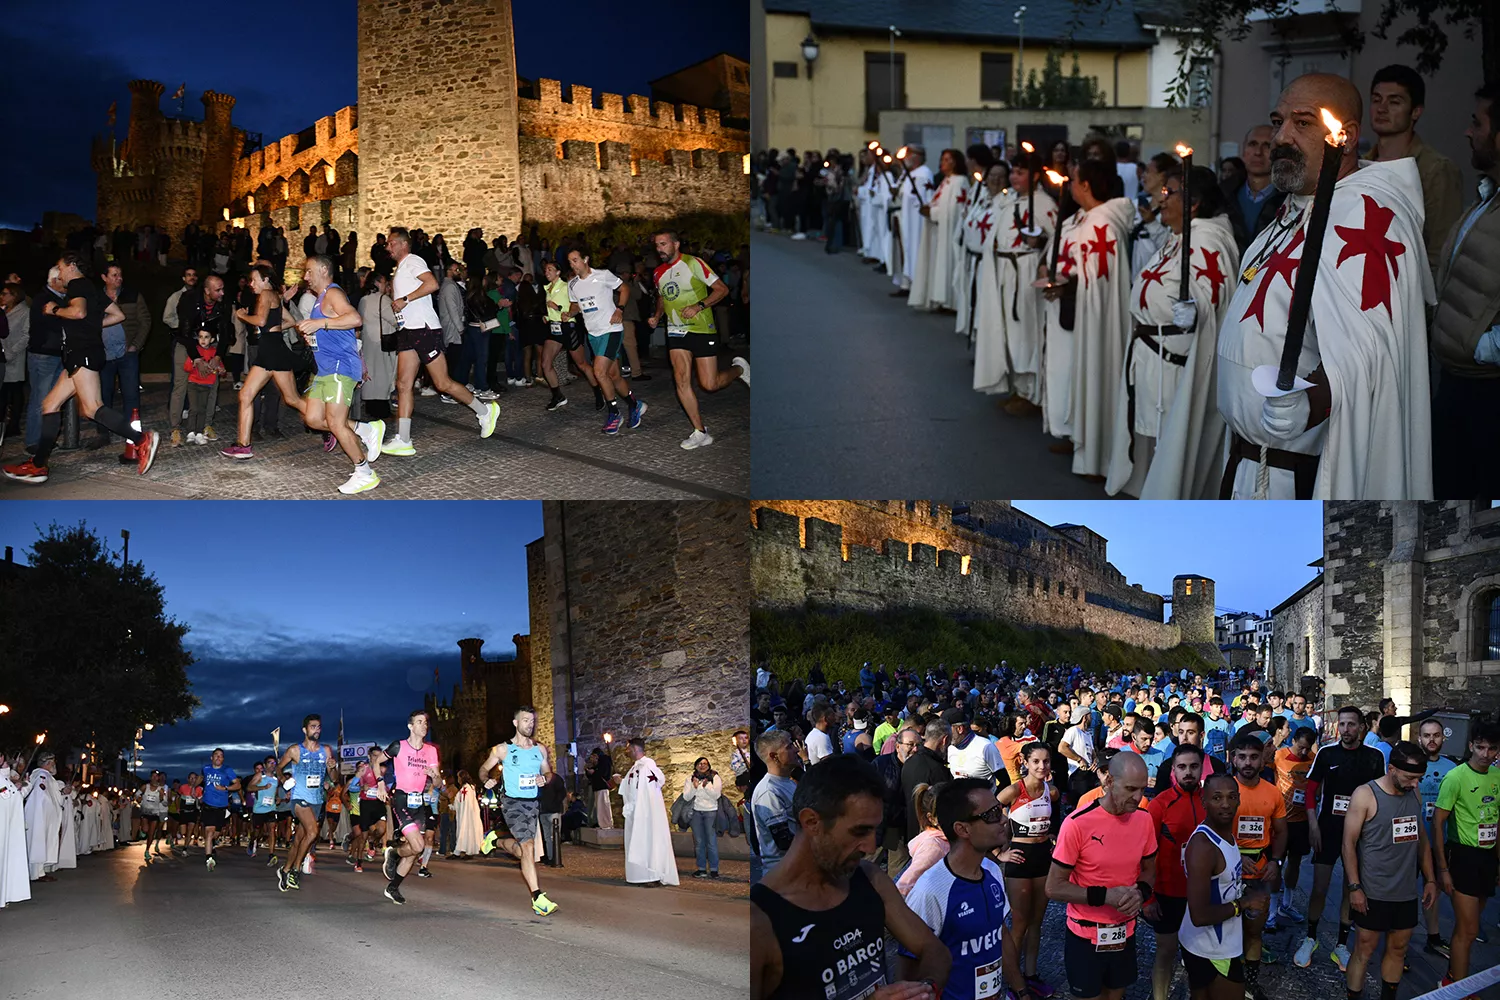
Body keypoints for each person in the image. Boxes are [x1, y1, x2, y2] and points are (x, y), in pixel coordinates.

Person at [1216, 73, 1431, 499]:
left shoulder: (1364, 213)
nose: (1281, 137)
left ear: (1345, 137)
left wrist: (1311, 402)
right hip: (1248, 457)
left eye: (1302, 123)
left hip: (1297, 473)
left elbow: (1372, 347)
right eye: (1278, 121)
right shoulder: (1295, 208)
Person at [750, 754, 951, 1000]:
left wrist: (923, 990)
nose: (869, 846)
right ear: (812, 822)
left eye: (874, 830)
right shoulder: (760, 921)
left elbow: (934, 950)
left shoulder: (869, 879)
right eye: (860, 831)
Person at [1126, 167, 1242, 499]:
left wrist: (1197, 309)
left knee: (1171, 441)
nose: (1160, 199)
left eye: (1169, 192)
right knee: (1153, 442)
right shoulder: (1178, 238)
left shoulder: (1207, 240)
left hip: (1175, 365)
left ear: (1192, 204)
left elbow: (1213, 297)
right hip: (1151, 356)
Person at [3, 253, 159, 483]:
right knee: (50, 404)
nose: (59, 271)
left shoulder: (78, 285)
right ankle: (38, 465)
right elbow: (118, 315)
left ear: (72, 266)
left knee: (93, 408)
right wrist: (91, 326)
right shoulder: (92, 289)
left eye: (60, 267)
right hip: (78, 353)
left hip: (82, 353)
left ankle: (141, 439)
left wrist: (54, 310)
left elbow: (78, 312)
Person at [1428, 81, 1500, 500]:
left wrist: (1481, 349)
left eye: (1478, 123)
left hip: (1488, 396)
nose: (1468, 132)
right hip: (1460, 387)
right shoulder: (1486, 199)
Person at [900, 778, 1032, 1000]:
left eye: (1000, 810)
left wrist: (1021, 990)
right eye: (991, 815)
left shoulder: (992, 871)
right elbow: (908, 963)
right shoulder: (930, 889)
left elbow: (999, 934)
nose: (1003, 820)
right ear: (962, 829)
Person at [1045, 752, 1158, 1000]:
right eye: (1130, 788)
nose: (1138, 797)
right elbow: (1053, 887)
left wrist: (1142, 892)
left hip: (1124, 933)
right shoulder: (1077, 823)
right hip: (1085, 936)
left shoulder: (1144, 819)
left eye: (1142, 789)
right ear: (1108, 782)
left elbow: (1150, 869)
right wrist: (1105, 896)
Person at [379, 227, 499, 456]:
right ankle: (403, 439)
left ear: (403, 244)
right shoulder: (402, 267)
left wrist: (405, 299)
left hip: (424, 330)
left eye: (390, 243)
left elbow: (432, 283)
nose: (388, 247)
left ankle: (484, 411)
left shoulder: (413, 260)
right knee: (403, 385)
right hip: (408, 331)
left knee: (442, 383)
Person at [1292, 706, 1388, 968]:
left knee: (1351, 888)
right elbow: (1311, 792)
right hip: (1328, 830)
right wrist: (1313, 824)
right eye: (1342, 725)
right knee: (1319, 887)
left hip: (1360, 834)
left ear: (1361, 728)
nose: (1346, 730)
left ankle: (1341, 945)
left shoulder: (1375, 756)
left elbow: (1381, 794)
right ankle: (1310, 938)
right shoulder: (1326, 752)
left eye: (1351, 725)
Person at [1341, 740, 1436, 1000]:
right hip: (1373, 890)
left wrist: (1430, 879)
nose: (1415, 784)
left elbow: (1421, 840)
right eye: (1409, 777)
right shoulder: (1365, 794)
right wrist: (1354, 887)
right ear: (1391, 768)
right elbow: (1348, 843)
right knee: (1365, 949)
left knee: (1398, 948)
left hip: (1405, 890)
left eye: (1419, 778)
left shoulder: (1413, 792)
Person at [1060, 158, 1134, 483]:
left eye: (1073, 179)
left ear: (1086, 185)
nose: (1070, 185)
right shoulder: (1099, 220)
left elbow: (1095, 277)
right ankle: (1092, 451)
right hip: (1096, 314)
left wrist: (1066, 277)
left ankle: (1099, 456)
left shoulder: (1098, 223)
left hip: (1098, 318)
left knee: (1098, 376)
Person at [290, 256, 385, 494]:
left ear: (324, 270)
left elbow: (355, 319)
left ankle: (364, 472)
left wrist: (320, 324)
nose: (305, 277)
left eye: (309, 271)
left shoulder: (333, 293)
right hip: (325, 370)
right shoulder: (317, 299)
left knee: (335, 422)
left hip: (340, 367)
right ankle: (366, 430)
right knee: (312, 418)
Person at [647, 230, 748, 450]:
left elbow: (721, 289)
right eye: (657, 245)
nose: (660, 249)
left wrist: (699, 306)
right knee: (681, 379)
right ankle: (700, 432)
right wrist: (657, 315)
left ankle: (739, 370)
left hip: (702, 329)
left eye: (663, 244)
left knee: (709, 384)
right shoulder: (657, 273)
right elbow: (663, 298)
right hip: (675, 331)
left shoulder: (694, 263)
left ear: (676, 244)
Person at [1366, 64, 1463, 276]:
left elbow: (1441, 249)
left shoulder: (1435, 170)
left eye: (1394, 102)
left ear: (1415, 112)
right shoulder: (1360, 165)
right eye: (1376, 99)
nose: (1382, 108)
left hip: (1410, 288)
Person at [222, 264, 323, 459]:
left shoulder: (266, 295)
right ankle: (243, 445)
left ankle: (329, 426)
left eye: (254, 279)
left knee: (289, 399)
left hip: (272, 351)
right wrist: (274, 328)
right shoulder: (274, 296)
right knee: (248, 395)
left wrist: (242, 316)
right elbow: (290, 321)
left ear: (265, 279)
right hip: (270, 350)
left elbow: (260, 321)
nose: (251, 284)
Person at [1432, 721, 1500, 992]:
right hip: (1462, 856)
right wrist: (1443, 868)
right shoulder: (1456, 777)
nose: (1485, 753)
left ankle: (1451, 980)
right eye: (1480, 747)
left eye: (1492, 748)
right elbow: (1438, 823)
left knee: (1469, 929)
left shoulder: (1497, 776)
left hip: (1487, 858)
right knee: (1469, 930)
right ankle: (1457, 989)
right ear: (1471, 746)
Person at [476, 705, 560, 914]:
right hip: (512, 803)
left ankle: (494, 840)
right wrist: (486, 780)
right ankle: (538, 897)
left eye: (532, 721)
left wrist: (544, 778)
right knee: (529, 847)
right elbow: (484, 769)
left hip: (532, 804)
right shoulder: (502, 749)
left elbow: (549, 773)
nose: (529, 724)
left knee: (523, 851)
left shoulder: (539, 749)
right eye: (525, 720)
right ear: (515, 723)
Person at [996, 741, 1061, 998]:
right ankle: (1013, 980)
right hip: (1019, 858)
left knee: (1037, 922)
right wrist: (998, 852)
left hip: (1042, 857)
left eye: (1045, 762)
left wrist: (1053, 833)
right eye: (1036, 761)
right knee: (1020, 923)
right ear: (1025, 762)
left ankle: (1031, 975)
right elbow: (986, 814)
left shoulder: (1051, 790)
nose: (1042, 766)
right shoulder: (1013, 790)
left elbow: (1051, 817)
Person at [1181, 772, 1252, 1000]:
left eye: (1232, 797)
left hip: (1211, 944)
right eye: (1217, 798)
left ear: (1239, 799)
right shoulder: (1204, 846)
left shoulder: (1225, 835)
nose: (1225, 804)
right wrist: (1243, 904)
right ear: (1204, 802)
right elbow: (1199, 915)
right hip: (1212, 947)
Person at [1227, 731, 1286, 992]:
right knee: (1225, 933)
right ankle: (1226, 984)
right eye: (1242, 757)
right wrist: (1235, 856)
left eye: (1253, 757)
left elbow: (1282, 831)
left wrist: (1276, 862)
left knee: (1254, 933)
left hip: (1259, 875)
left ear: (1263, 760)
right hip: (1227, 873)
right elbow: (1210, 831)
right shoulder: (1224, 791)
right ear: (1233, 760)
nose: (1248, 763)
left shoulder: (1273, 793)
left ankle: (1250, 986)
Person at [564, 247, 644, 435]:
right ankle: (635, 404)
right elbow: (576, 305)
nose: (573, 265)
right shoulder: (573, 284)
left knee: (599, 372)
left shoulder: (603, 275)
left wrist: (620, 309)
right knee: (614, 376)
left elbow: (624, 288)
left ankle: (614, 413)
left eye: (575, 260)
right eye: (570, 262)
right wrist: (570, 313)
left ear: (586, 259)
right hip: (593, 333)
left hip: (611, 329)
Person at [374, 709, 442, 905]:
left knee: (415, 849)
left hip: (419, 801)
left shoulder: (431, 751)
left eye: (426, 722)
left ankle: (392, 886)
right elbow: (377, 762)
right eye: (420, 722)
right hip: (402, 799)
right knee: (418, 845)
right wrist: (380, 783)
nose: (424, 725)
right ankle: (394, 853)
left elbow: (437, 783)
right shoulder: (399, 746)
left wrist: (434, 775)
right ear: (410, 726)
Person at [273, 714, 340, 892]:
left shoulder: (325, 751)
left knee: (300, 839)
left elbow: (334, 779)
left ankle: (285, 870)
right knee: (313, 832)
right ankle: (295, 870)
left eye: (319, 727)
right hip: (299, 797)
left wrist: (333, 768)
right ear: (305, 730)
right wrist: (283, 779)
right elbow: (279, 767)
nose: (316, 730)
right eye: (313, 727)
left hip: (316, 800)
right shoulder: (295, 750)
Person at [1415, 717, 1458, 956]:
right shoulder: (1411, 764)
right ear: (1419, 738)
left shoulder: (1452, 768)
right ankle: (1399, 944)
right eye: (1427, 735)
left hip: (1440, 841)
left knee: (1435, 889)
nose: (1432, 740)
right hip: (1411, 841)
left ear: (1443, 738)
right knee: (1404, 892)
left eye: (1436, 735)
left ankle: (1433, 937)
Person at [909, 149, 965, 312]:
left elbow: (955, 209)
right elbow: (940, 202)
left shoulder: (960, 182)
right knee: (936, 262)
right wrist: (929, 207)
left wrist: (932, 212)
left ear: (955, 162)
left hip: (948, 231)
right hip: (937, 230)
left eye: (947, 159)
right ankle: (938, 297)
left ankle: (949, 301)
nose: (942, 162)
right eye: (942, 159)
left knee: (947, 262)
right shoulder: (946, 181)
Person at [619, 737, 679, 886]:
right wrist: (621, 781)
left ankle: (652, 876)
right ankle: (639, 875)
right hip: (636, 812)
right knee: (638, 842)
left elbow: (651, 788)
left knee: (649, 842)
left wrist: (644, 810)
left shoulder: (648, 766)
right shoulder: (635, 767)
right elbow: (631, 787)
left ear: (634, 748)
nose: (627, 751)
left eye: (628, 748)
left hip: (646, 814)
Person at [1274, 724, 1316, 921]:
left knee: (1295, 862)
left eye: (1308, 748)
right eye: (1301, 747)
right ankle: (1272, 910)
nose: (1304, 752)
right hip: (1280, 819)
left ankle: (1287, 904)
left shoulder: (1313, 760)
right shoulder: (1279, 756)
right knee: (1276, 862)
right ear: (1293, 741)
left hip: (1301, 820)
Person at [1225, 126, 1287, 252]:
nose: (1258, 152)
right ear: (1243, 151)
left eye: (1267, 146)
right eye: (1252, 144)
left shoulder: (1290, 200)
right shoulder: (1223, 195)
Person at [750, 730, 801, 882]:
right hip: (784, 875)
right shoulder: (769, 792)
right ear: (774, 756)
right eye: (789, 747)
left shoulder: (788, 781)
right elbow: (784, 841)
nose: (796, 750)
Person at [893, 146, 936, 297]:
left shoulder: (923, 174)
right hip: (905, 217)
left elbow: (923, 196)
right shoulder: (907, 173)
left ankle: (917, 284)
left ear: (916, 157)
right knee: (906, 249)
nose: (905, 158)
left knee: (915, 248)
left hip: (916, 219)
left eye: (908, 154)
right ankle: (906, 282)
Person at [21, 753, 62, 882]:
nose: (54, 765)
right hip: (40, 816)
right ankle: (36, 873)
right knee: (38, 843)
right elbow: (41, 797)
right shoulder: (41, 776)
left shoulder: (46, 776)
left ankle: (40, 872)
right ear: (48, 763)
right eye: (53, 762)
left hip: (44, 816)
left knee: (41, 843)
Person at [199, 748, 240, 871]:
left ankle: (212, 847)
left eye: (221, 756)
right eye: (216, 755)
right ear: (211, 758)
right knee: (209, 832)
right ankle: (209, 858)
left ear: (223, 759)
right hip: (207, 805)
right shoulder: (206, 769)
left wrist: (225, 788)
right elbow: (201, 777)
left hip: (221, 807)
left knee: (216, 834)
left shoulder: (227, 770)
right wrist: (194, 787)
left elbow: (238, 784)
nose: (218, 757)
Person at [138, 770, 168, 863]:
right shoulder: (145, 787)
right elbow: (136, 794)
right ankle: (142, 831)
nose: (155, 778)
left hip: (155, 813)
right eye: (153, 776)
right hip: (145, 812)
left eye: (156, 776)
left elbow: (165, 803)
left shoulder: (161, 790)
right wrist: (138, 798)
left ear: (158, 778)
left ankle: (147, 850)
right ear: (150, 777)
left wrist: (162, 798)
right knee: (145, 829)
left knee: (151, 833)